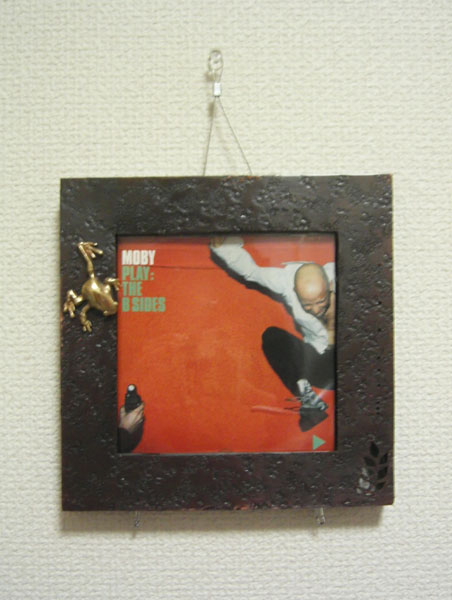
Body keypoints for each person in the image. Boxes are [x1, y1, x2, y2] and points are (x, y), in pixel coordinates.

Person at [210, 236, 335, 412]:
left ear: (330, 285)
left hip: (349, 363)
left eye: (320, 302)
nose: (315, 310)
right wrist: (222, 248)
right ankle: (307, 398)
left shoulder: (343, 276)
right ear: (294, 291)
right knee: (273, 337)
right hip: (319, 363)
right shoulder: (284, 281)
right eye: (307, 305)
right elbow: (251, 272)